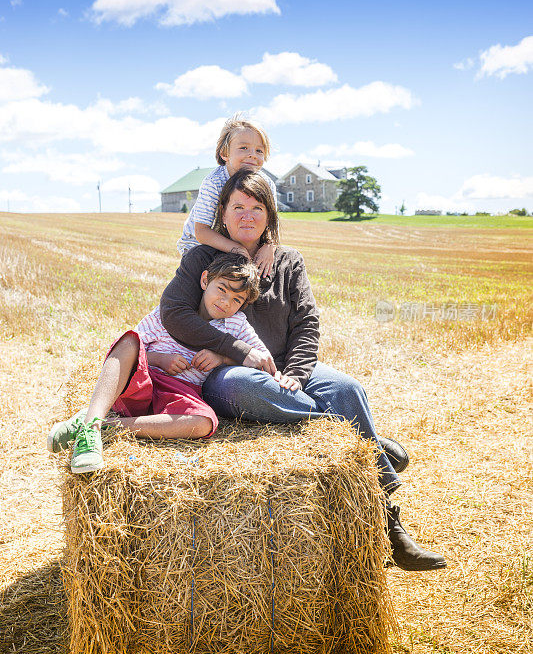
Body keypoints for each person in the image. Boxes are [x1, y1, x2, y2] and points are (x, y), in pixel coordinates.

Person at [160, 170, 447, 572]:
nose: (246, 216)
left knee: (347, 389)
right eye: (237, 207)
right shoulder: (200, 260)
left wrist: (296, 372)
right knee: (249, 388)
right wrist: (233, 352)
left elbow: (307, 322)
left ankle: (389, 525)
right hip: (225, 374)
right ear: (222, 214)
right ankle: (372, 445)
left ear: (270, 215)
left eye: (256, 208)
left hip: (287, 371)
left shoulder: (289, 260)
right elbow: (173, 314)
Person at [47, 253, 284, 474]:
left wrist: (222, 358)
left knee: (204, 423)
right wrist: (160, 359)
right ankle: (91, 426)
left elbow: (261, 358)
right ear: (204, 280)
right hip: (143, 382)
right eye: (221, 289)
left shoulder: (236, 324)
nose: (225, 302)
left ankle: (110, 425)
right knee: (130, 340)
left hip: (180, 393)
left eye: (236, 299)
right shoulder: (171, 312)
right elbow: (125, 354)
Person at [177, 114, 278, 277]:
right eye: (244, 148)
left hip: (235, 241)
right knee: (205, 286)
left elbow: (272, 223)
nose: (252, 154)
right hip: (198, 243)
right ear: (225, 153)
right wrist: (237, 249)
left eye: (259, 150)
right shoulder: (214, 183)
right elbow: (201, 232)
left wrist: (270, 246)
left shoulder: (267, 184)